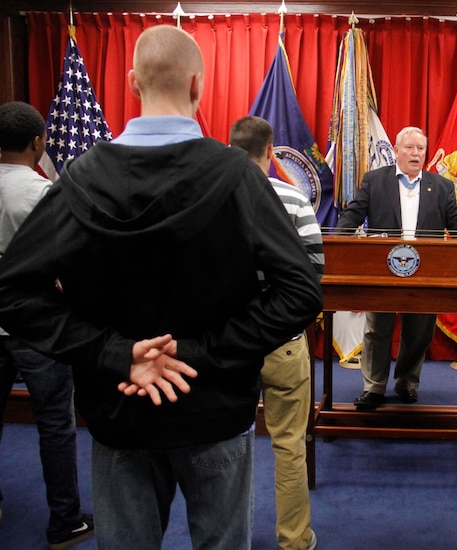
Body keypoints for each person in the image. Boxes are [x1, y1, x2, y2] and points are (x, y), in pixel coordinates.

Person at [0, 25, 322, 550]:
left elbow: (13, 293)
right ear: (199, 86)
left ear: (132, 83)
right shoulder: (240, 178)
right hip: (214, 406)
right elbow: (301, 291)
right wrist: (200, 354)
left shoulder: (77, 179)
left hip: (119, 410)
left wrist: (115, 353)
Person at [0, 101, 94, 549]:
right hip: (36, 328)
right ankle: (64, 521)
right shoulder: (41, 194)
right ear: (39, 142)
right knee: (55, 424)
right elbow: (71, 264)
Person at [229, 115, 321, 550]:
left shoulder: (209, 199)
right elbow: (313, 275)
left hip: (227, 342)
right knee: (288, 444)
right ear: (269, 153)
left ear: (230, 148)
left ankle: (232, 538)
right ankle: (294, 539)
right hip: (282, 341)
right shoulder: (294, 200)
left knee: (229, 445)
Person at [335, 126, 457, 410]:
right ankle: (373, 387)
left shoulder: (442, 186)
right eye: (409, 148)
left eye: (420, 149)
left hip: (426, 274)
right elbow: (351, 217)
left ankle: (406, 384)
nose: (415, 153)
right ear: (396, 151)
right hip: (382, 272)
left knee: (420, 332)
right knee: (378, 330)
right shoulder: (375, 181)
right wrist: (336, 242)